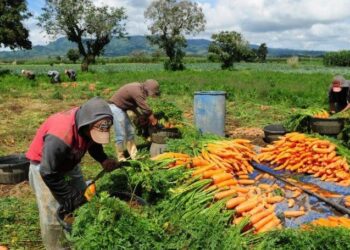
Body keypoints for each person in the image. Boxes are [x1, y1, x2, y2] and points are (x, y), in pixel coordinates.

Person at [26, 97, 118, 249]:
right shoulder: (60, 135)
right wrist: (69, 196)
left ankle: (82, 237)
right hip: (45, 168)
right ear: (84, 125)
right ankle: (56, 246)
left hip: (69, 160)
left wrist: (103, 159)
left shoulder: (89, 122)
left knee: (83, 200)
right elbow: (48, 172)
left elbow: (93, 143)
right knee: (53, 213)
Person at [109, 79, 160, 161]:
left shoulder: (140, 88)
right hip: (115, 108)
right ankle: (120, 157)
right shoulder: (137, 91)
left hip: (120, 108)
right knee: (121, 133)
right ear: (149, 89)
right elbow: (146, 110)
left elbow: (133, 105)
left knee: (130, 131)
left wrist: (139, 115)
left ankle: (134, 155)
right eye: (153, 92)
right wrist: (154, 122)